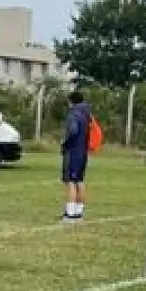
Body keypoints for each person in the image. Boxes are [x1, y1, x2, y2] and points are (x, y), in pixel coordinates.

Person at [61, 89, 92, 221]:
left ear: (71, 102)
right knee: (79, 181)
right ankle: (79, 212)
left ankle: (70, 213)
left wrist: (65, 143)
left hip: (73, 152)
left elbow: (73, 131)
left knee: (70, 182)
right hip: (83, 151)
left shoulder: (74, 114)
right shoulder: (87, 114)